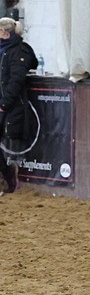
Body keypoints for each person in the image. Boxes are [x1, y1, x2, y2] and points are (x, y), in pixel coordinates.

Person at [0, 17, 37, 192]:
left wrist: (4, 104)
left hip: (9, 104)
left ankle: (8, 175)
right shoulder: (6, 50)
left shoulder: (20, 51)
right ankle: (8, 175)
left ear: (3, 32)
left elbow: (16, 80)